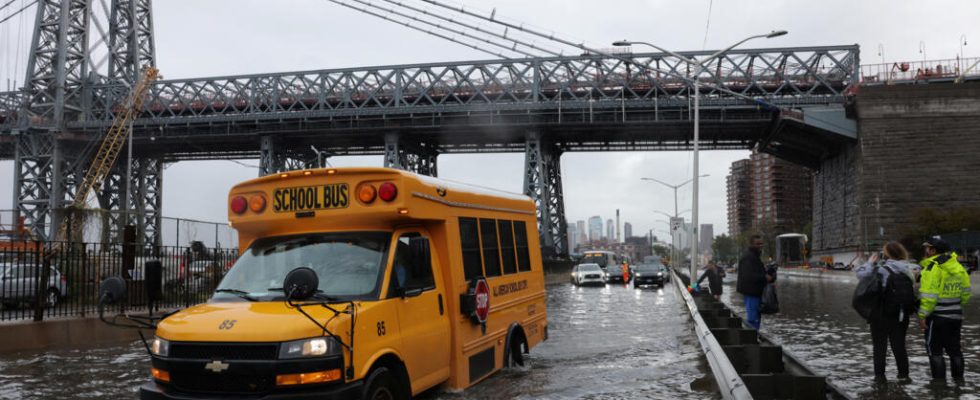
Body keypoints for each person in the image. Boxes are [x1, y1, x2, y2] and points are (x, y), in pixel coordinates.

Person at [854, 242, 914, 383]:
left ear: (886, 254)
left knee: (880, 347)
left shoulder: (882, 269)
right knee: (899, 346)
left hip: (881, 314)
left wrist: (870, 263)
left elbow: (861, 274)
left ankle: (880, 378)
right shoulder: (908, 269)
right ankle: (904, 376)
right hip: (901, 314)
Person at [917, 237, 971, 383]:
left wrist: (922, 315)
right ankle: (959, 381)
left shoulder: (932, 268)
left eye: (927, 248)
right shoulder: (958, 266)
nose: (926, 251)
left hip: (937, 317)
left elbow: (929, 297)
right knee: (955, 350)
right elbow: (966, 293)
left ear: (933, 250)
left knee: (935, 351)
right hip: (956, 315)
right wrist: (957, 307)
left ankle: (939, 386)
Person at [736, 235, 772, 329]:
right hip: (751, 292)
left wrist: (769, 273)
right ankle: (752, 338)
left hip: (755, 291)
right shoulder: (748, 257)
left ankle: (754, 336)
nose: (760, 245)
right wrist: (765, 277)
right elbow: (749, 276)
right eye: (757, 244)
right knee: (753, 317)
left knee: (756, 316)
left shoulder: (754, 256)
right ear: (751, 244)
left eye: (761, 243)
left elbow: (756, 272)